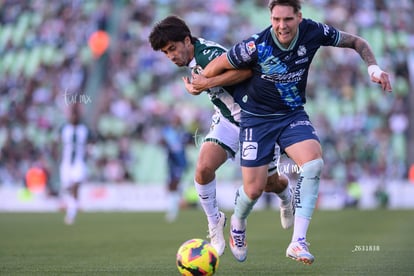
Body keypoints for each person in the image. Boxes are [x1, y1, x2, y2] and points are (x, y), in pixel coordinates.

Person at [192, 0, 392, 264]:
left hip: (291, 115)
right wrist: (203, 82)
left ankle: (298, 242)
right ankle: (238, 223)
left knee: (312, 164)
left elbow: (357, 42)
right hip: (256, 119)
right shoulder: (255, 44)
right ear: (270, 18)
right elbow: (220, 64)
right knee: (253, 190)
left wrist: (373, 69)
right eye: (276, 19)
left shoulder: (313, 31)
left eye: (287, 19)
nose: (281, 26)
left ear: (299, 17)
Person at [149, 15, 295, 257]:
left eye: (172, 49)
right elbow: (209, 83)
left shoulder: (208, 54)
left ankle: (285, 192)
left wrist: (206, 83)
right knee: (203, 169)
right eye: (165, 53)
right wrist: (199, 87)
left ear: (187, 40)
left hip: (257, 121)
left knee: (269, 184)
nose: (171, 56)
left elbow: (247, 71)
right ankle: (215, 222)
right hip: (228, 120)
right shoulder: (193, 57)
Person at [59, 104, 89, 225]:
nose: (74, 118)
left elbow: (92, 141)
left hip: (78, 162)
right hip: (66, 162)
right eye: (72, 115)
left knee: (76, 185)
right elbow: (57, 142)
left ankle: (71, 213)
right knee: (67, 187)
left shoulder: (84, 130)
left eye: (76, 115)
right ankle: (72, 205)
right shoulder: (64, 129)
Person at [160, 113, 191, 222]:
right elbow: (163, 142)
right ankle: (174, 207)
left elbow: (188, 142)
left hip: (179, 162)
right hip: (172, 161)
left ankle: (174, 210)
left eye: (177, 120)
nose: (175, 122)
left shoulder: (182, 133)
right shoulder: (168, 131)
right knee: (172, 185)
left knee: (174, 184)